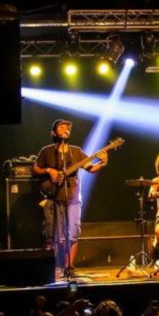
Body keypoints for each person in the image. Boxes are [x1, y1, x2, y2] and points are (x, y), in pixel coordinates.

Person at [32, 119, 107, 280]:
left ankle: (68, 267)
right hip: (52, 197)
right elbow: (35, 169)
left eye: (67, 128)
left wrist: (102, 162)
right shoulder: (46, 151)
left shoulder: (76, 151)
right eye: (61, 127)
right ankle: (51, 267)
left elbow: (91, 168)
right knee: (51, 234)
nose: (65, 129)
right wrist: (49, 170)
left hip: (72, 198)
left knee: (73, 233)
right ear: (53, 132)